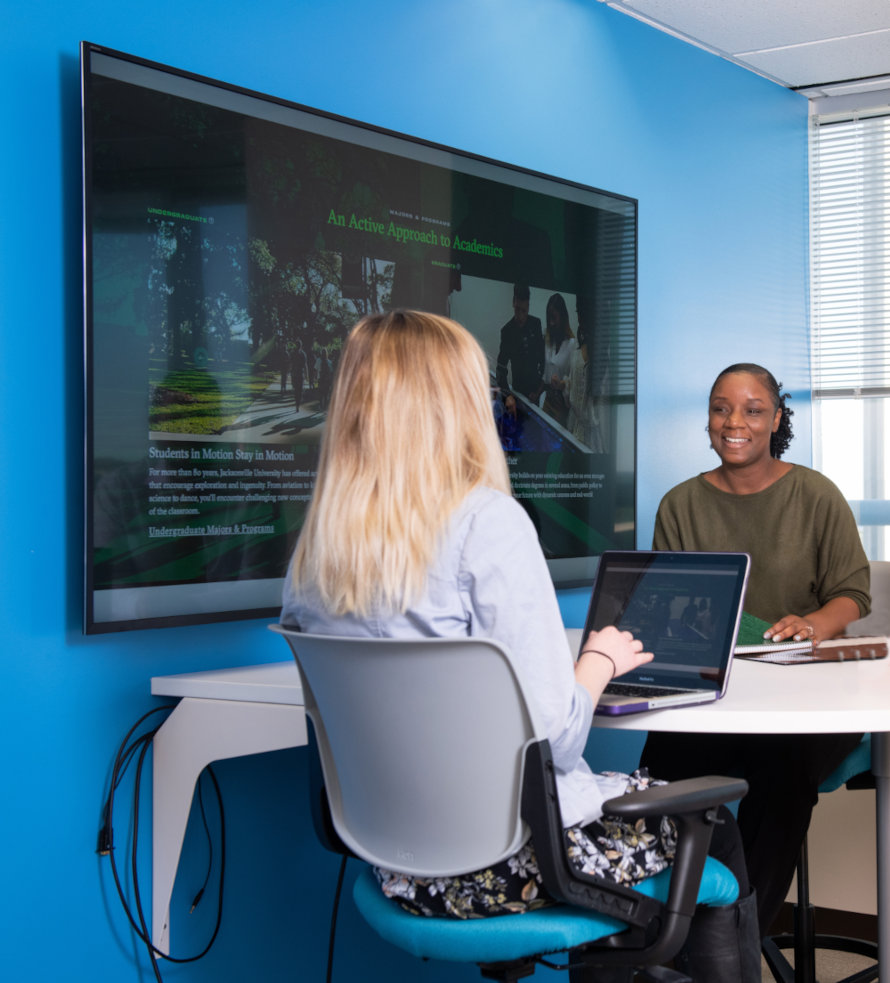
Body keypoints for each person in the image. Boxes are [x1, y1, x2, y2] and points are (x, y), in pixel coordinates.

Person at [281, 310, 759, 981]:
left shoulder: (315, 554)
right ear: (457, 406)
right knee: (716, 826)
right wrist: (598, 661)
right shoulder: (486, 522)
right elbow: (555, 741)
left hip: (401, 873)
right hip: (516, 867)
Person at [639, 362, 871, 939]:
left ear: (776, 420)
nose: (734, 421)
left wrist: (814, 623)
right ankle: (659, 936)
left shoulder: (815, 495)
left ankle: (731, 947)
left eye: (752, 409)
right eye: (721, 408)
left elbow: (853, 594)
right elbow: (666, 603)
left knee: (782, 777)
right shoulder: (679, 505)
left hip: (805, 701)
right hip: (712, 695)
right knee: (660, 774)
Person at [495, 283, 544, 402]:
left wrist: (538, 391)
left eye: (524, 311)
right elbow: (500, 369)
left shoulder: (535, 324)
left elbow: (543, 359)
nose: (520, 316)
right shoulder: (507, 331)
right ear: (513, 302)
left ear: (528, 306)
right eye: (517, 309)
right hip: (517, 393)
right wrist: (508, 396)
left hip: (535, 393)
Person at [540, 293, 576, 426]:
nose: (551, 322)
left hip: (562, 405)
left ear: (562, 316)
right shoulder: (548, 339)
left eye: (554, 317)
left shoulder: (571, 344)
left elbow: (574, 382)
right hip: (548, 399)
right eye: (549, 318)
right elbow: (544, 374)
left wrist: (561, 383)